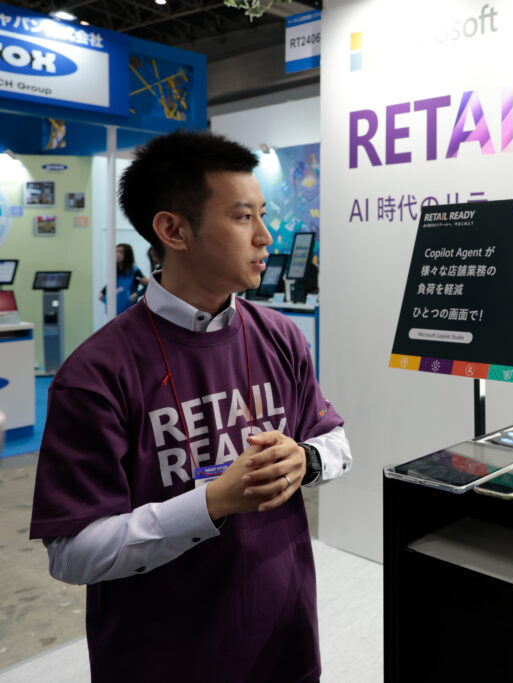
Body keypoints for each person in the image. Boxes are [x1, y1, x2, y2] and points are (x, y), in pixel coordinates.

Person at [29, 129, 352, 683]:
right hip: (162, 656)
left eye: (263, 215)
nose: (265, 237)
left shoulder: (280, 336)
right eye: (243, 218)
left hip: (285, 638)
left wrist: (306, 460)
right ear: (173, 230)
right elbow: (73, 552)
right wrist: (210, 504)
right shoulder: (95, 373)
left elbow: (335, 441)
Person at [98, 243, 148, 314]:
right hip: (114, 309)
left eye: (121, 252)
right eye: (116, 251)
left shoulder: (134, 270)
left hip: (128, 310)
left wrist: (137, 294)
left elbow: (148, 285)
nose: (118, 254)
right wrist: (102, 292)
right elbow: (111, 283)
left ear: (127, 254)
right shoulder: (114, 270)